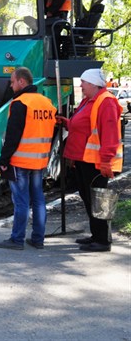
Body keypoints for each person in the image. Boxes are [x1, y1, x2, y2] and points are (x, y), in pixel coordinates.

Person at [56, 69, 123, 252]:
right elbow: (84, 125)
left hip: (95, 162)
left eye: (83, 82)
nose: (81, 85)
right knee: (88, 198)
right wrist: (67, 123)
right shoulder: (90, 100)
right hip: (84, 159)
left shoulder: (106, 101)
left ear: (93, 83)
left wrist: (106, 161)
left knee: (98, 200)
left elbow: (110, 134)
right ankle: (97, 235)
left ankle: (102, 241)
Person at [0, 67, 56, 250]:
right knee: (38, 200)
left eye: (12, 82)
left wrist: (3, 160)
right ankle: (38, 239)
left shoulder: (20, 103)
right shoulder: (46, 103)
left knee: (21, 201)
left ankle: (17, 239)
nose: (11, 86)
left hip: (20, 161)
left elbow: (13, 136)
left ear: (22, 82)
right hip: (39, 160)